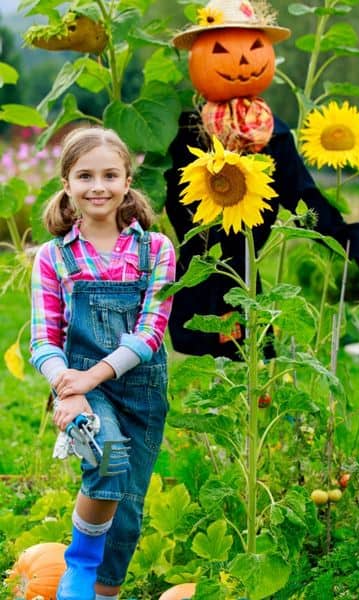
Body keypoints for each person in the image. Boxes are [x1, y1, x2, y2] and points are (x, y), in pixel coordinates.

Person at [164, 0, 359, 361]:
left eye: (254, 48)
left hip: (249, 261)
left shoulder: (274, 134)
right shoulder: (189, 130)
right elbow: (173, 199)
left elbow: (304, 198)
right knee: (214, 346)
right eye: (220, 50)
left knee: (248, 349)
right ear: (198, 56)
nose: (241, 61)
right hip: (204, 259)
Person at [30, 126, 176, 600]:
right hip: (84, 388)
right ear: (67, 184)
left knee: (128, 510)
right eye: (85, 175)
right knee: (108, 457)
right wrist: (67, 386)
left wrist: (86, 378)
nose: (99, 186)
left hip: (141, 389)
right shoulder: (54, 257)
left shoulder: (156, 251)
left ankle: (105, 593)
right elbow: (43, 339)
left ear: (128, 181)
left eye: (110, 175)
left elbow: (151, 332)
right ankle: (80, 565)